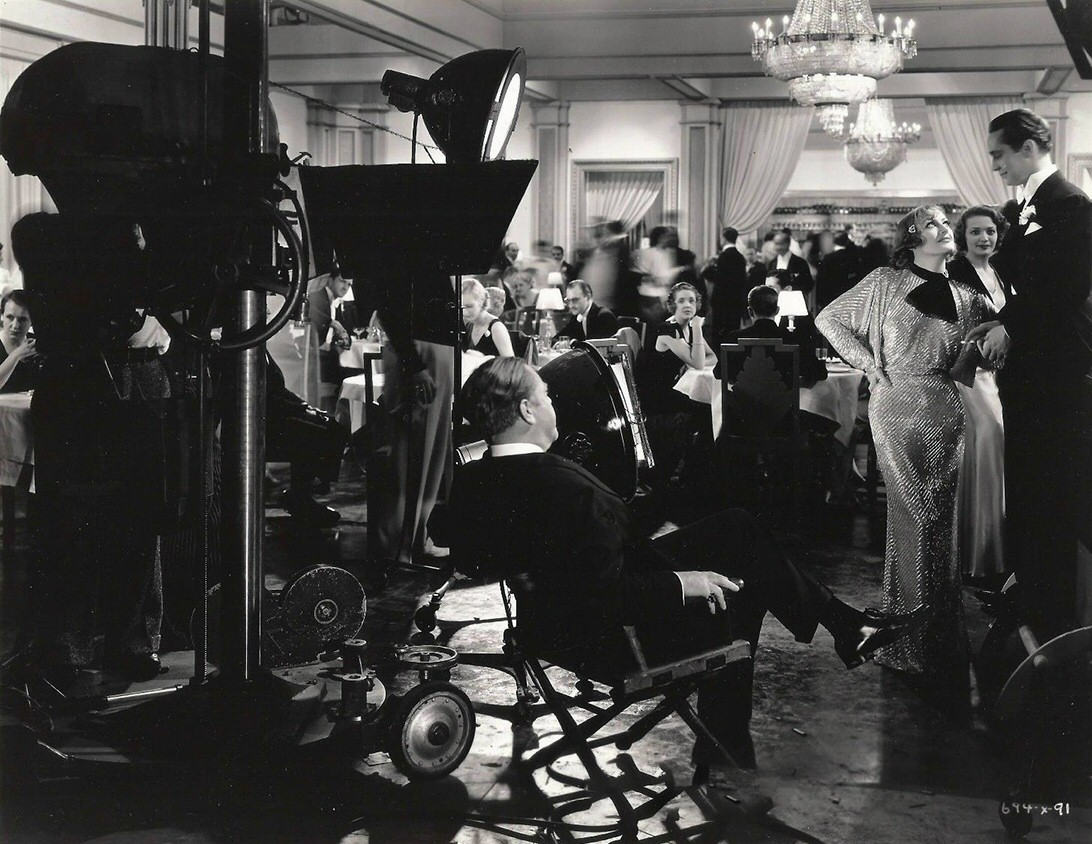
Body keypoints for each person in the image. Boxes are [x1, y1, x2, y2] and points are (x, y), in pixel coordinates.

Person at [451, 357, 927, 776]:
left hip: (545, 624)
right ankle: (726, 740)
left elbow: (472, 551)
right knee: (743, 586)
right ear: (527, 411)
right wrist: (684, 582)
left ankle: (843, 625)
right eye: (547, 396)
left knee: (738, 530)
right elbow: (607, 592)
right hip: (612, 639)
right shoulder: (569, 490)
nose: (555, 405)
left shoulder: (475, 484)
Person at [816, 206, 992, 687]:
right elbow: (829, 319)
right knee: (912, 516)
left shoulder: (968, 297)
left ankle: (940, 638)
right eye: (932, 223)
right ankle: (907, 637)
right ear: (911, 237)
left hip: (946, 408)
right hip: (895, 404)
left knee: (942, 521)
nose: (943, 228)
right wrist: (869, 365)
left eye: (945, 221)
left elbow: (973, 366)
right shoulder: (882, 282)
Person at [967, 108, 1092, 638]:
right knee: (1027, 484)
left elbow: (1063, 286)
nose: (994, 165)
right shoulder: (1021, 208)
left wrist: (1010, 326)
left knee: (1053, 487)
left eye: (998, 153)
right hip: (1029, 371)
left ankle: (1051, 608)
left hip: (1058, 368)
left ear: (1027, 148)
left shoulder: (1071, 205)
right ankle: (1029, 588)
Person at [948, 206, 1009, 582]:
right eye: (975, 233)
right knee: (990, 437)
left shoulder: (1000, 272)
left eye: (989, 232)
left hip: (1000, 375)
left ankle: (993, 550)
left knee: (994, 452)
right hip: (968, 376)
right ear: (963, 237)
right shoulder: (954, 273)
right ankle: (978, 556)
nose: (984, 238)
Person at [637, 282, 715, 489]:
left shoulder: (687, 327)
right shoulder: (667, 330)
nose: (687, 305)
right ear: (672, 306)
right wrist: (698, 330)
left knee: (710, 411)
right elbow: (699, 362)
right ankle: (690, 476)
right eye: (681, 301)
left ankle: (693, 473)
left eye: (691, 300)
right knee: (707, 412)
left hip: (672, 390)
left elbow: (711, 357)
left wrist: (690, 361)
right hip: (657, 397)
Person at [722, 285, 826, 388]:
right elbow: (820, 373)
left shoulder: (734, 338)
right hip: (782, 403)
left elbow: (719, 372)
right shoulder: (792, 339)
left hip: (742, 403)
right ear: (777, 310)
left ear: (750, 311)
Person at [709, 226, 750, 336]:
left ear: (723, 238)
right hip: (736, 302)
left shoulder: (723, 256)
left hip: (722, 302)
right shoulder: (740, 257)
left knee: (720, 335)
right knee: (733, 333)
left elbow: (719, 279)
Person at [461, 277, 513, 358]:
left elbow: (510, 365)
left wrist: (482, 359)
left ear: (481, 301)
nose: (465, 312)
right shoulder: (469, 326)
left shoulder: (496, 328)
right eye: (462, 307)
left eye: (470, 306)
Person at [0, 289, 38, 393]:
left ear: (32, 320)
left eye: (22, 319)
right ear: (2, 316)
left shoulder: (36, 343)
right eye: (10, 317)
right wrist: (16, 355)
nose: (15, 325)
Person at [815, 231, 864, 311]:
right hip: (849, 300)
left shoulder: (828, 258)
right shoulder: (853, 258)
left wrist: (820, 301)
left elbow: (821, 280)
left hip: (831, 299)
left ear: (834, 242)